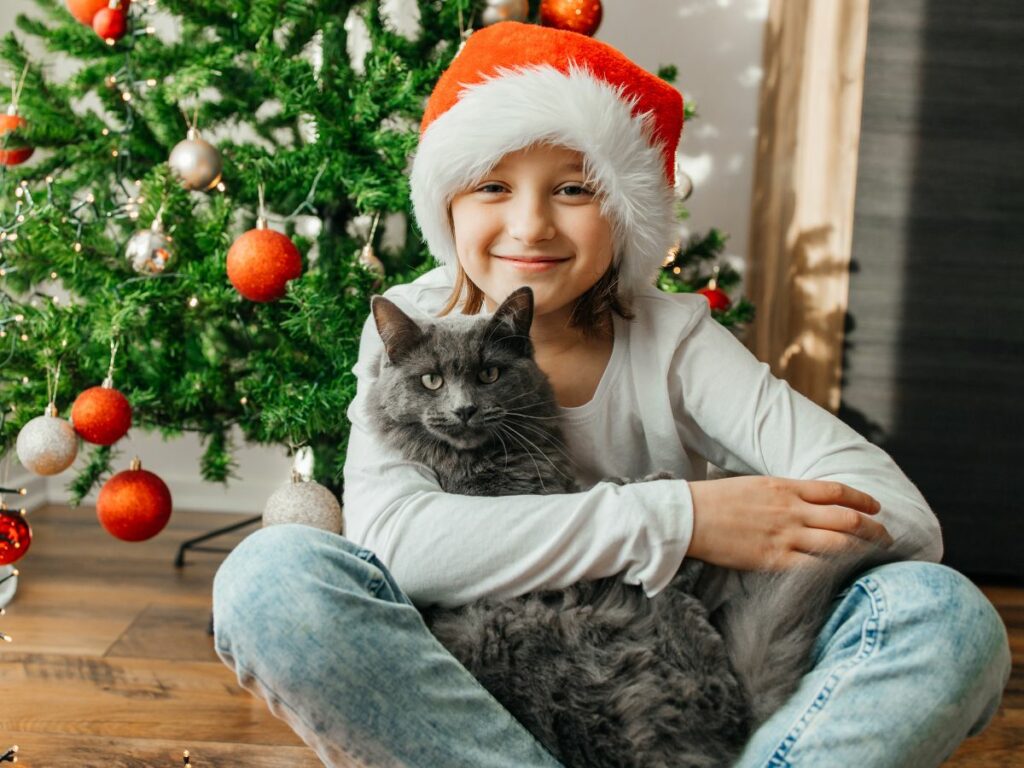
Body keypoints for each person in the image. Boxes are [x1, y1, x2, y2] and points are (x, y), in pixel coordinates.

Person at [212, 20, 1011, 768]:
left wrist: (751, 541)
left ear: (625, 212)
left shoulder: (675, 340)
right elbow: (398, 547)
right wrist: (685, 519)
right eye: (492, 186)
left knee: (944, 616)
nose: (530, 227)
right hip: (481, 698)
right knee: (270, 582)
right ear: (447, 205)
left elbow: (904, 520)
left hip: (683, 683)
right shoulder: (414, 331)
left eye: (573, 189)